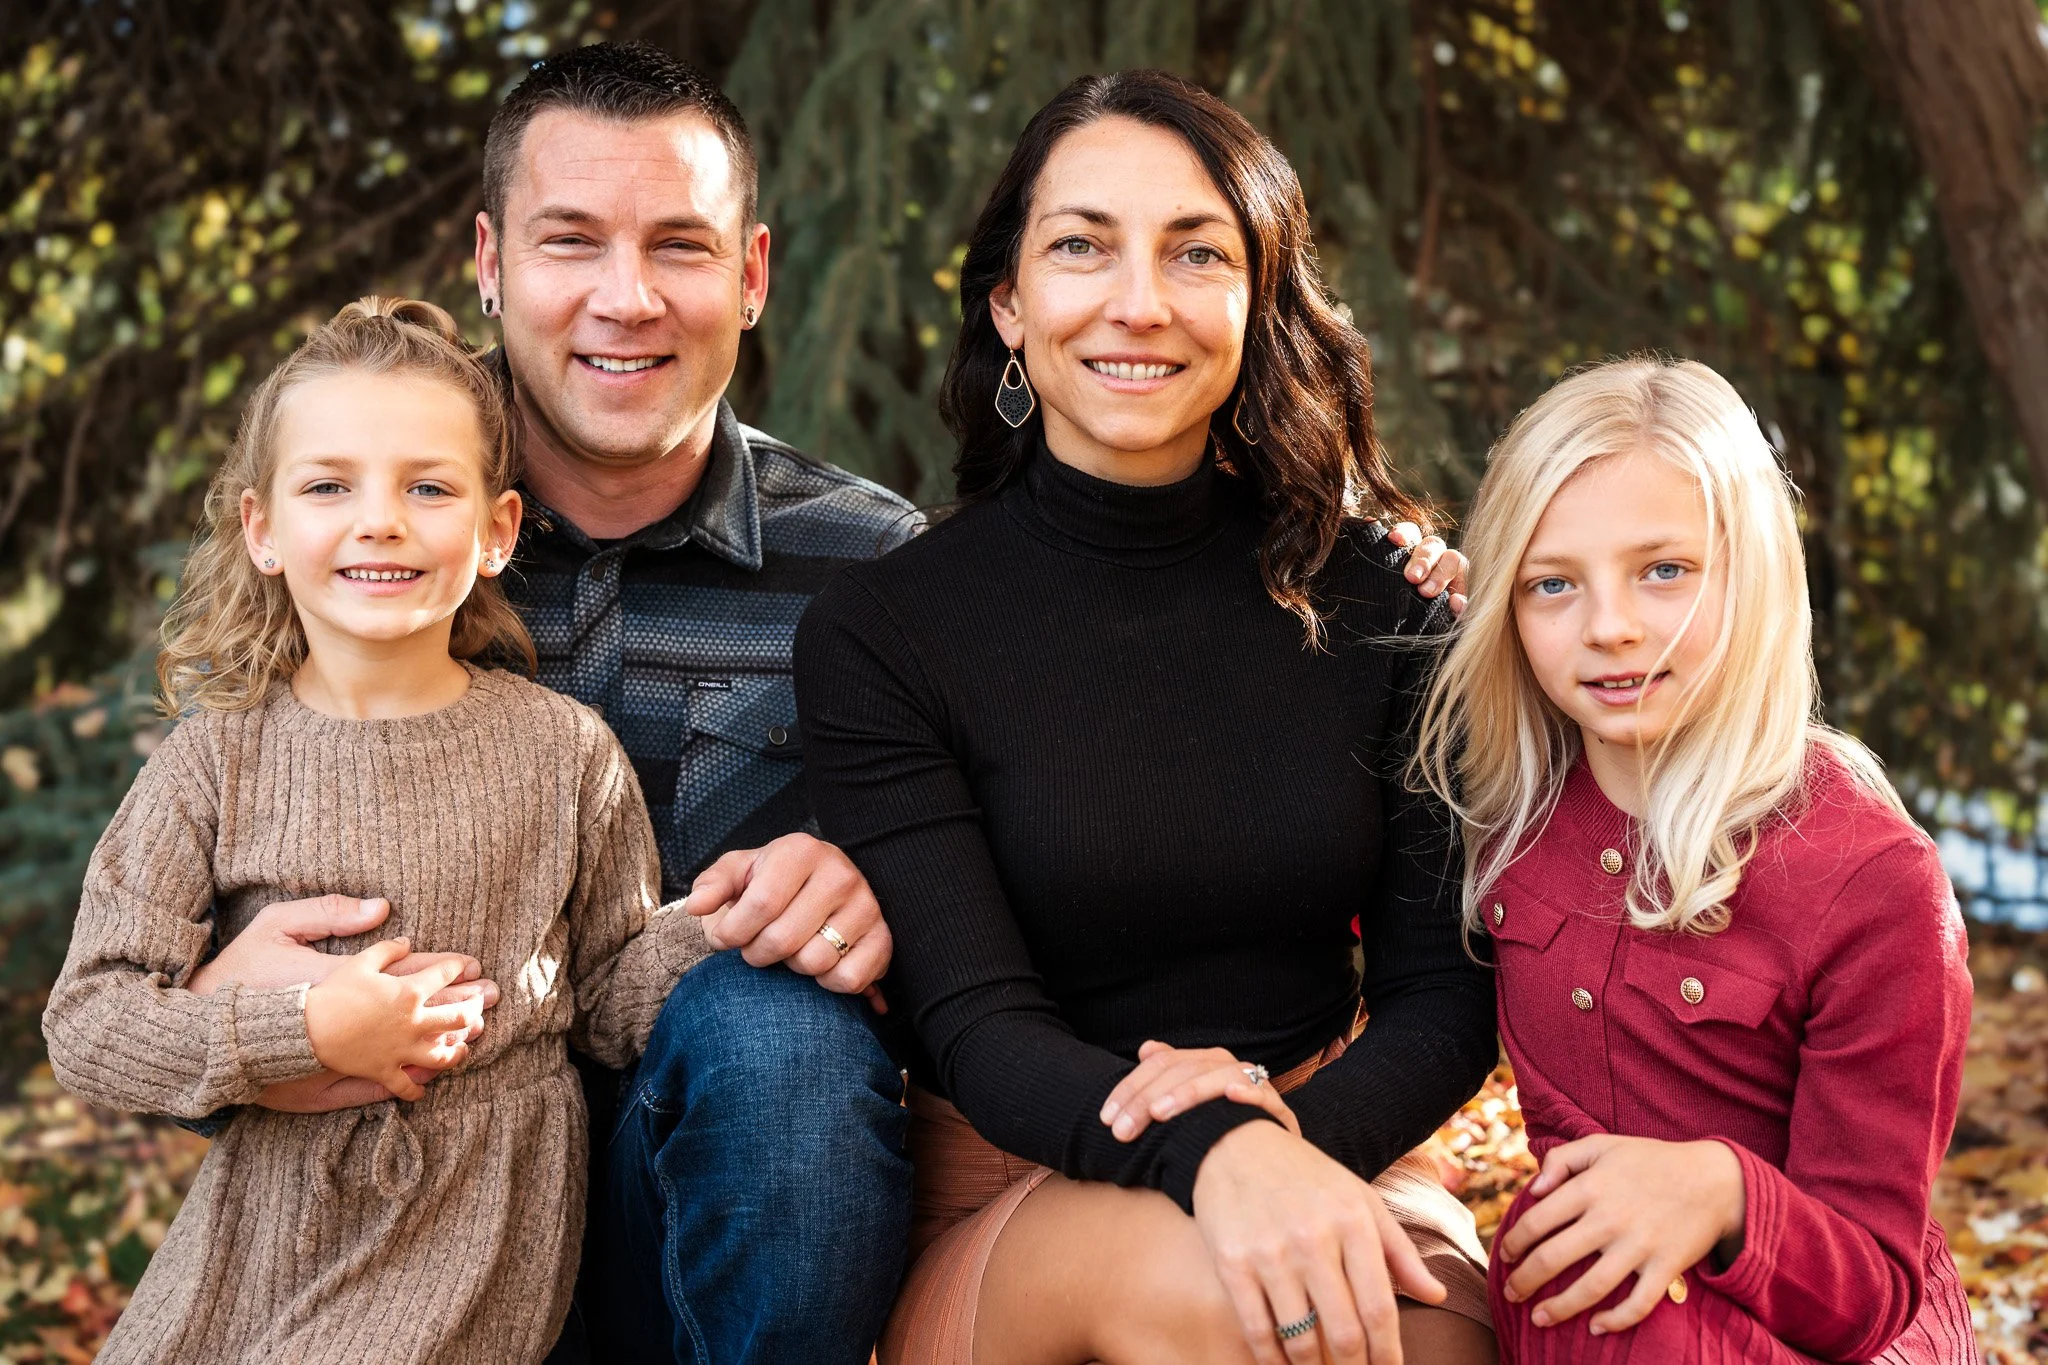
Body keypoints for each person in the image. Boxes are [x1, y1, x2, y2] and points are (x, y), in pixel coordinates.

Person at [172, 42, 1471, 1363]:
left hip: (736, 1205)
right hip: (402, 1212)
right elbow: (166, 947)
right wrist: (231, 1010)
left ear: (750, 277)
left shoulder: (867, 565)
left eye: (679, 245)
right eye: (572, 242)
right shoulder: (361, 548)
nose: (625, 298)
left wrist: (864, 888)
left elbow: (1026, 815)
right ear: (491, 260)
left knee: (772, 1025)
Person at [794, 70, 1499, 1365]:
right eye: (1081, 247)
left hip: (1324, 1150)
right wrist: (1208, 1146)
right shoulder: (886, 631)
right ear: (1009, 303)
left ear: (1255, 302)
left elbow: (1443, 998)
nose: (1139, 302)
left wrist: (1278, 1149)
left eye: (1196, 253)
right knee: (1223, 1309)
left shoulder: (1381, 600)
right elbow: (979, 1025)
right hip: (1023, 1184)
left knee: (1421, 1343)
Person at [43, 297, 711, 1363]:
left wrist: (728, 925)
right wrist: (301, 1032)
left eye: (427, 488)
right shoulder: (215, 761)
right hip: (251, 1231)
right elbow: (89, 1027)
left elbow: (607, 996)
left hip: (462, 1233)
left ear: (495, 531)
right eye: (328, 486)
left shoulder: (560, 752)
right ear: (262, 529)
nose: (379, 520)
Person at [1411, 356, 1978, 1361]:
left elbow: (1872, 1290)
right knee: (1587, 1294)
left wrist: (1717, 1192)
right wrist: (1396, 587)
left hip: (1817, 1332)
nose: (1610, 627)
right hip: (1583, 1306)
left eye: (1662, 570)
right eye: (1550, 584)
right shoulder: (1501, 802)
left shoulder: (1871, 881)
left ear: (1750, 568)